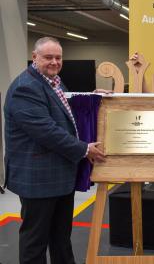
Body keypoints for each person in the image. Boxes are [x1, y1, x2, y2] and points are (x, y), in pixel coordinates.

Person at [4, 36, 106, 264]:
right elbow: (47, 131)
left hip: (58, 174)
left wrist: (91, 96)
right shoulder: (25, 88)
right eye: (48, 57)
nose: (54, 62)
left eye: (58, 57)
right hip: (37, 177)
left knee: (60, 237)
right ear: (34, 57)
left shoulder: (54, 81)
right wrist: (84, 149)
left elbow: (64, 113)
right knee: (35, 241)